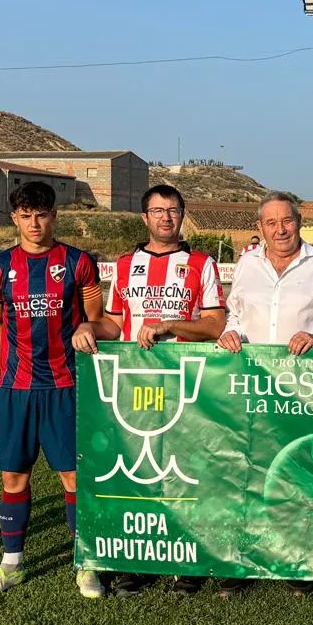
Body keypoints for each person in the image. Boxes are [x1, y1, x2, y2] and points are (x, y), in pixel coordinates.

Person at [82, 183, 227, 598]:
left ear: (183, 215)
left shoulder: (201, 263)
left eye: (173, 210)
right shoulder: (126, 265)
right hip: (133, 383)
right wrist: (85, 328)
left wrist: (170, 326)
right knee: (140, 471)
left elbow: (215, 325)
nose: (166, 217)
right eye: (157, 210)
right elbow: (112, 324)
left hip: (185, 383)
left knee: (185, 470)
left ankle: (188, 560)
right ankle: (139, 560)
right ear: (144, 217)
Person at [0, 182, 106, 600]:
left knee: (73, 475)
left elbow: (97, 319)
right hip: (15, 389)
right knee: (13, 476)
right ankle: (11, 564)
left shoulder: (78, 262)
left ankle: (85, 563)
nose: (35, 223)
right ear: (14, 217)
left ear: (54, 215)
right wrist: (22, 359)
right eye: (26, 215)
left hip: (66, 387)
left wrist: (85, 329)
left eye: (42, 214)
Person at [215, 190, 313, 597]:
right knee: (249, 473)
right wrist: (231, 332)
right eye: (271, 223)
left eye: (286, 221)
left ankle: (298, 562)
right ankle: (244, 561)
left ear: (299, 222)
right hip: (252, 385)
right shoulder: (248, 264)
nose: (280, 229)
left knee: (297, 476)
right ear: (260, 228)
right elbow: (235, 312)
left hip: (304, 387)